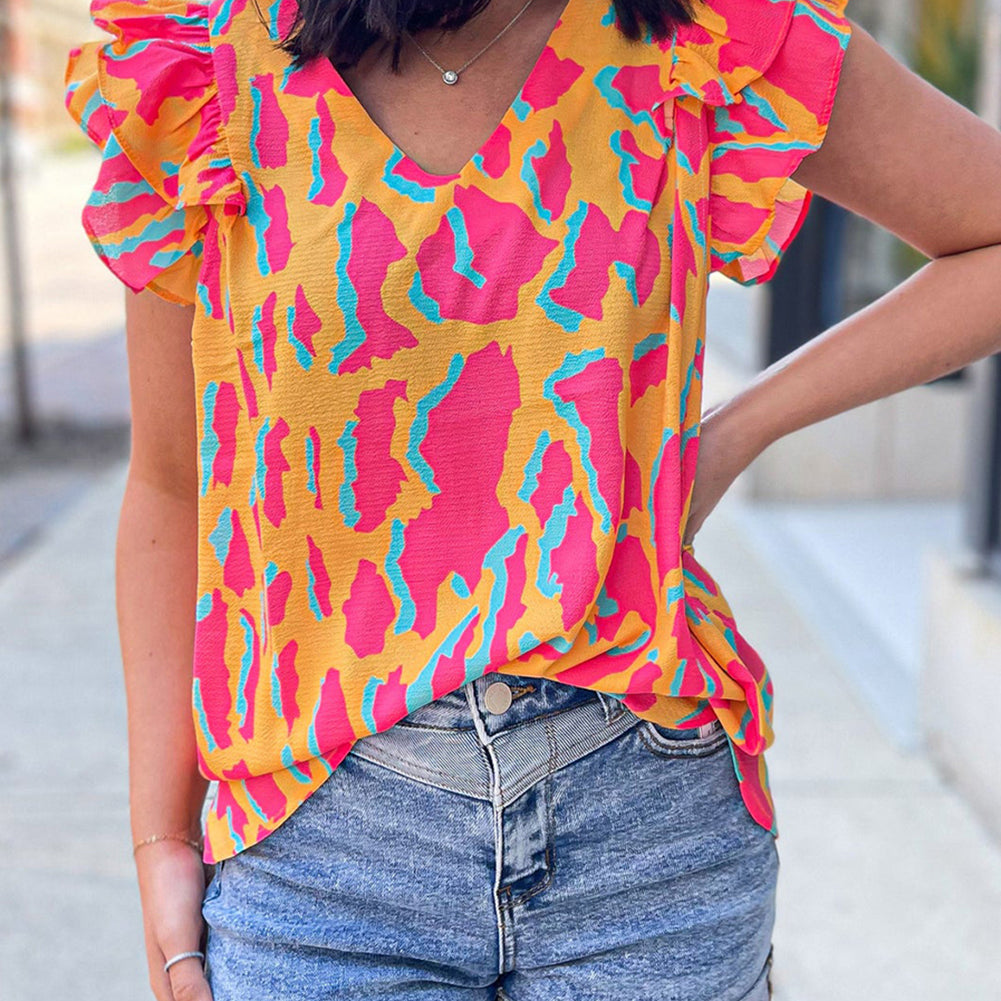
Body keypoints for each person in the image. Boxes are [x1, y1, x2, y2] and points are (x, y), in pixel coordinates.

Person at [63, 0, 1001, 997]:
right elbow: (172, 479)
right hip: (321, 851)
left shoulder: (698, 36)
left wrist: (731, 433)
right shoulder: (205, 69)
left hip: (645, 839)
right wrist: (160, 831)